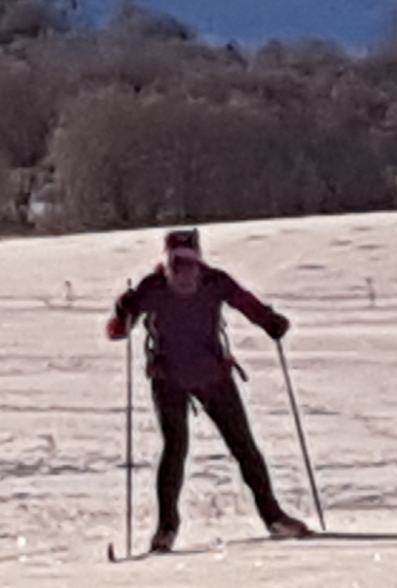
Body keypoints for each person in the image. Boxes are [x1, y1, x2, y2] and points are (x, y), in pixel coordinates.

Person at [107, 226, 309, 550]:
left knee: (243, 446)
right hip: (169, 379)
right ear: (167, 264)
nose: (184, 273)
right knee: (175, 449)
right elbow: (117, 332)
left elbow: (245, 302)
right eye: (177, 265)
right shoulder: (152, 288)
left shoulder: (216, 282)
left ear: (198, 262)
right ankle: (166, 529)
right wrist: (123, 310)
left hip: (213, 375)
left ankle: (273, 517)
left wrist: (270, 321)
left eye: (189, 264)